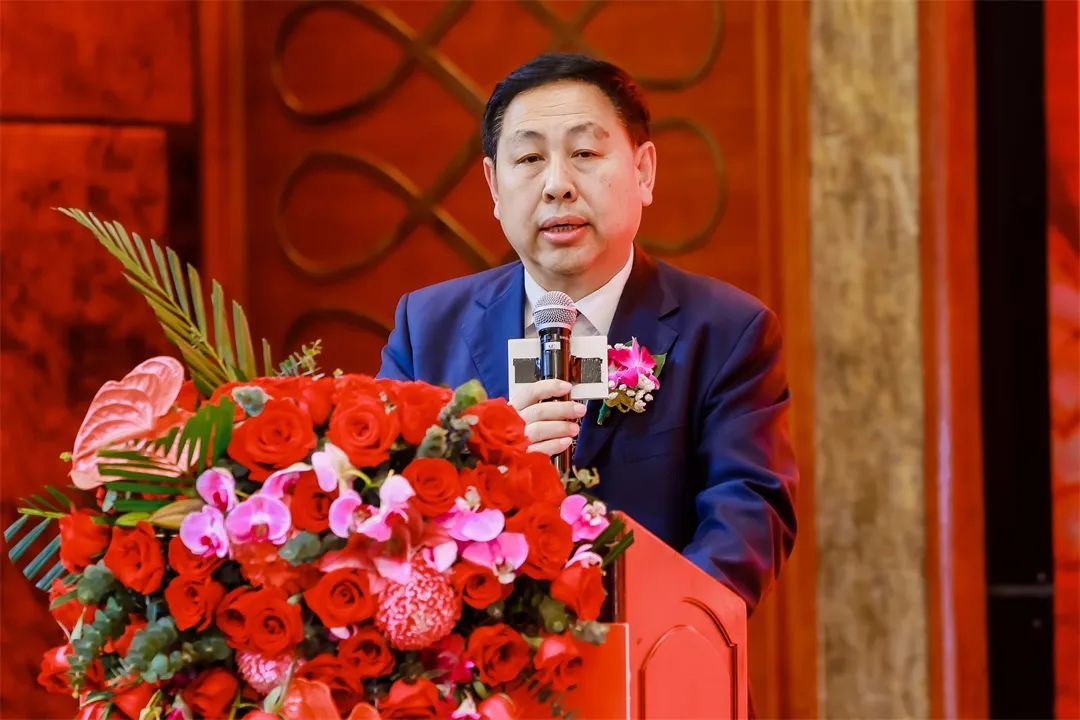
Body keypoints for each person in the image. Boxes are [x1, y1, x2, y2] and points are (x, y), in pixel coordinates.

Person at [378, 53, 797, 611]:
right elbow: (386, 510)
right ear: (494, 186)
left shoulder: (726, 332)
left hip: (654, 649)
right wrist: (486, 462)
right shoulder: (427, 328)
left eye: (584, 153)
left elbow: (746, 521)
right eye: (529, 158)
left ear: (643, 171)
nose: (557, 185)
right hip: (477, 653)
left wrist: (634, 636)